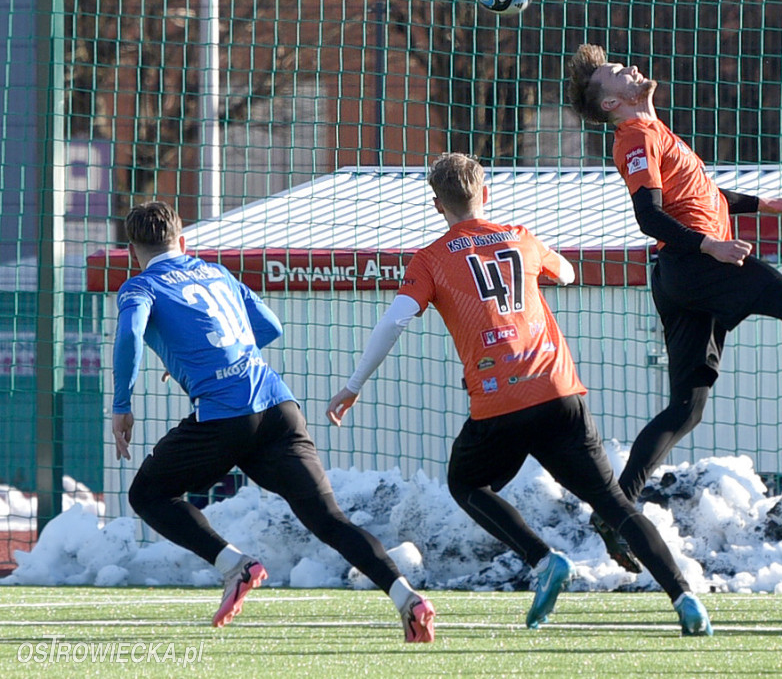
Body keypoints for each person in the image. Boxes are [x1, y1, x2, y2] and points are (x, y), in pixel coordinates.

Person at [327, 152, 713, 636]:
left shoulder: (430, 258)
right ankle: (685, 598)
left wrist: (352, 385)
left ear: (436, 205)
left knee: (467, 485)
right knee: (615, 503)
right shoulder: (519, 236)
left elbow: (395, 320)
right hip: (557, 392)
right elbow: (568, 273)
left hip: (498, 403)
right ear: (484, 195)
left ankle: (543, 558)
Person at [565, 44, 782, 559]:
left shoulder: (656, 132)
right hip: (694, 265)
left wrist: (766, 204)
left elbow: (705, 194)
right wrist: (710, 244)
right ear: (610, 104)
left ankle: (618, 508)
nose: (632, 67)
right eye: (617, 72)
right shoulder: (635, 137)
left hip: (681, 275)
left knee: (685, 409)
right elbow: (648, 216)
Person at [111, 200, 435, 642]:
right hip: (279, 408)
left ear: (133, 251)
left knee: (146, 494)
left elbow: (130, 334)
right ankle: (406, 598)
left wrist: (122, 405)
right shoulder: (217, 273)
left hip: (225, 420)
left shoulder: (138, 286)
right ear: (181, 239)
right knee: (329, 519)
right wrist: (205, 355)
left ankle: (235, 566)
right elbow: (270, 326)